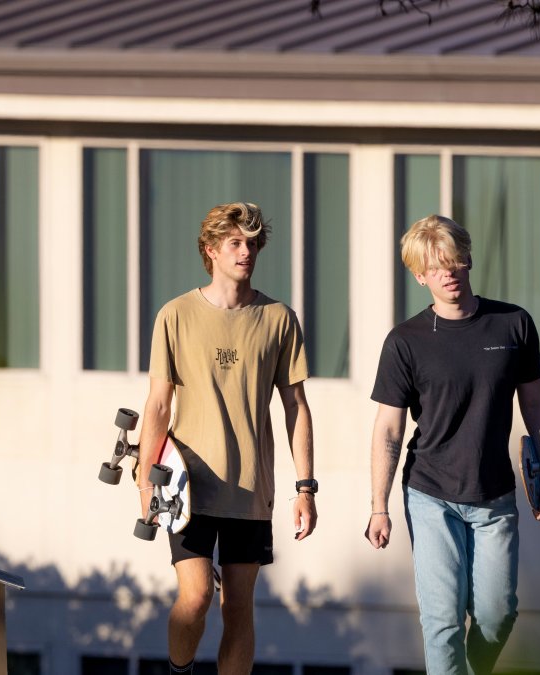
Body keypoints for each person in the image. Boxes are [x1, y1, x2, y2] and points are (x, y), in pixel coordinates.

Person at [363, 214, 540, 675]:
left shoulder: (512, 325)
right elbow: (388, 429)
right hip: (430, 494)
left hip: (494, 495)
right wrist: (378, 505)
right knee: (442, 621)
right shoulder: (405, 342)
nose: (447, 272)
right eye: (435, 266)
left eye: (453, 260)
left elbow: (536, 403)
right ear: (420, 275)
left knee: (497, 615)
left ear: (467, 259)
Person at [135, 202, 317, 675]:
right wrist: (143, 483)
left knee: (237, 607)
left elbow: (296, 405)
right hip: (185, 487)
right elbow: (158, 405)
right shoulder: (175, 315)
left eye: (253, 243)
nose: (246, 251)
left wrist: (306, 487)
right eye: (236, 242)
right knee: (194, 598)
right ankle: (179, 670)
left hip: (251, 488)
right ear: (211, 250)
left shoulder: (279, 318)